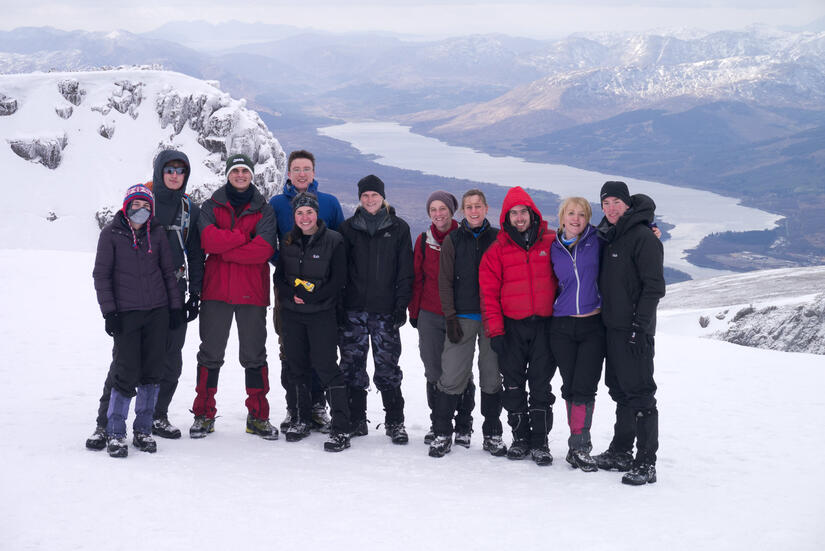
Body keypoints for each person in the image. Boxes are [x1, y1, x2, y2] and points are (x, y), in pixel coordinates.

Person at [85, 150, 204, 450]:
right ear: (159, 171)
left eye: (181, 170)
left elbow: (196, 253)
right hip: (133, 301)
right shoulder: (142, 201)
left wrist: (194, 294)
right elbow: (104, 271)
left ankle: (155, 416)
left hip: (171, 295)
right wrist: (111, 311)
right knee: (124, 363)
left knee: (168, 360)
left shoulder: (189, 208)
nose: (175, 175)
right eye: (170, 169)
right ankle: (105, 423)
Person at [189, 154, 279, 440]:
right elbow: (207, 240)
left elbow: (264, 249)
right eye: (235, 170)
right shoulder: (211, 205)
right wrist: (243, 238)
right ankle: (203, 414)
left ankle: (258, 416)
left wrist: (224, 247)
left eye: (245, 170)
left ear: (251, 175)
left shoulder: (264, 209)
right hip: (216, 291)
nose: (240, 175)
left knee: (254, 355)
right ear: (227, 174)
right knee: (210, 354)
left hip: (251, 293)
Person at [92, 184, 184, 457]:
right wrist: (110, 313)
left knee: (152, 372)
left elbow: (167, 273)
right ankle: (115, 431)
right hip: (127, 314)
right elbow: (101, 276)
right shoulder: (111, 234)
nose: (141, 211)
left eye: (146, 206)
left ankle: (143, 430)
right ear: (126, 206)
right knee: (125, 372)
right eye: (136, 205)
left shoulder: (156, 233)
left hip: (157, 312)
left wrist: (175, 308)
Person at [592, 181, 665, 485]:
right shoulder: (609, 235)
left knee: (641, 394)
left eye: (616, 203)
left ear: (627, 204)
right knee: (620, 390)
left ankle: (646, 461)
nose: (611, 208)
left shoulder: (642, 237)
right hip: (612, 328)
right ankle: (621, 451)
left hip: (635, 331)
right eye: (606, 203)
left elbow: (653, 287)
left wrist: (639, 326)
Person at [478, 186, 558, 466]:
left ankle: (540, 441)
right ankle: (520, 438)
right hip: (511, 328)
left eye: (524, 211)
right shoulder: (496, 251)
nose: (520, 217)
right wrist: (496, 332)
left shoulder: (551, 241)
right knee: (512, 385)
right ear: (506, 217)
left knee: (540, 384)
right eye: (514, 213)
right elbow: (488, 295)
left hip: (544, 327)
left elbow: (586, 240)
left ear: (532, 213)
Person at [269, 150, 345, 433]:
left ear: (314, 172)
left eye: (306, 169)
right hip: (288, 291)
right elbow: (270, 243)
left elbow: (339, 244)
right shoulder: (276, 204)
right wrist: (290, 276)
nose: (301, 174)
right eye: (296, 169)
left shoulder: (329, 203)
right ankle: (295, 408)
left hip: (324, 294)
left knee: (322, 351)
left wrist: (322, 287)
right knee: (291, 351)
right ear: (288, 173)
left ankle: (317, 406)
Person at [430, 189, 507, 458]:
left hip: (492, 318)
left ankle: (493, 434)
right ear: (462, 211)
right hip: (462, 317)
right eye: (469, 207)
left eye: (478, 206)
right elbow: (445, 280)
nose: (474, 211)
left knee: (491, 376)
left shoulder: (499, 238)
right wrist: (450, 316)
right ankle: (442, 433)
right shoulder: (453, 239)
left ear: (486, 208)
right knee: (451, 376)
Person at [338, 175, 414, 444]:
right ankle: (357, 419)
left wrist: (400, 305)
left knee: (387, 367)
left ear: (383, 197)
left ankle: (395, 422)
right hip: (353, 311)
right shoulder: (348, 229)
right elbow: (340, 272)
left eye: (375, 195)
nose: (370, 200)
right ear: (359, 198)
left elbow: (406, 271)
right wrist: (340, 306)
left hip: (385, 311)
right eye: (365, 196)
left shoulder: (398, 228)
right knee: (351, 367)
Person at [274, 192, 351, 451]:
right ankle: (300, 419)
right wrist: (291, 296)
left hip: (322, 314)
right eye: (299, 213)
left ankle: (341, 428)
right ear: (294, 217)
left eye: (309, 212)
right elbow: (280, 278)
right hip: (293, 315)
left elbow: (339, 280)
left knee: (326, 367)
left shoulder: (334, 241)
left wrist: (312, 298)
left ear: (317, 214)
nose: (305, 217)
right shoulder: (288, 241)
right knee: (296, 367)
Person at [408, 191, 475, 447]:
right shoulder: (423, 240)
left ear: (452, 210)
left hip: (460, 315)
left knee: (459, 371)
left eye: (442, 209)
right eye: (433, 209)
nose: (438, 214)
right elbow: (417, 278)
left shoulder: (463, 237)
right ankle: (439, 423)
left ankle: (464, 425)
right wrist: (414, 313)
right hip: (429, 313)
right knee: (433, 370)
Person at [549, 197, 605, 472]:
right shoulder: (552, 247)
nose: (576, 218)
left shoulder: (599, 239)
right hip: (561, 326)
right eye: (571, 213)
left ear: (588, 219)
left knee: (585, 386)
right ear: (561, 218)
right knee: (570, 387)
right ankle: (576, 447)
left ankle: (581, 447)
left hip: (593, 325)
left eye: (582, 214)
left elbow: (629, 232)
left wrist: (650, 226)